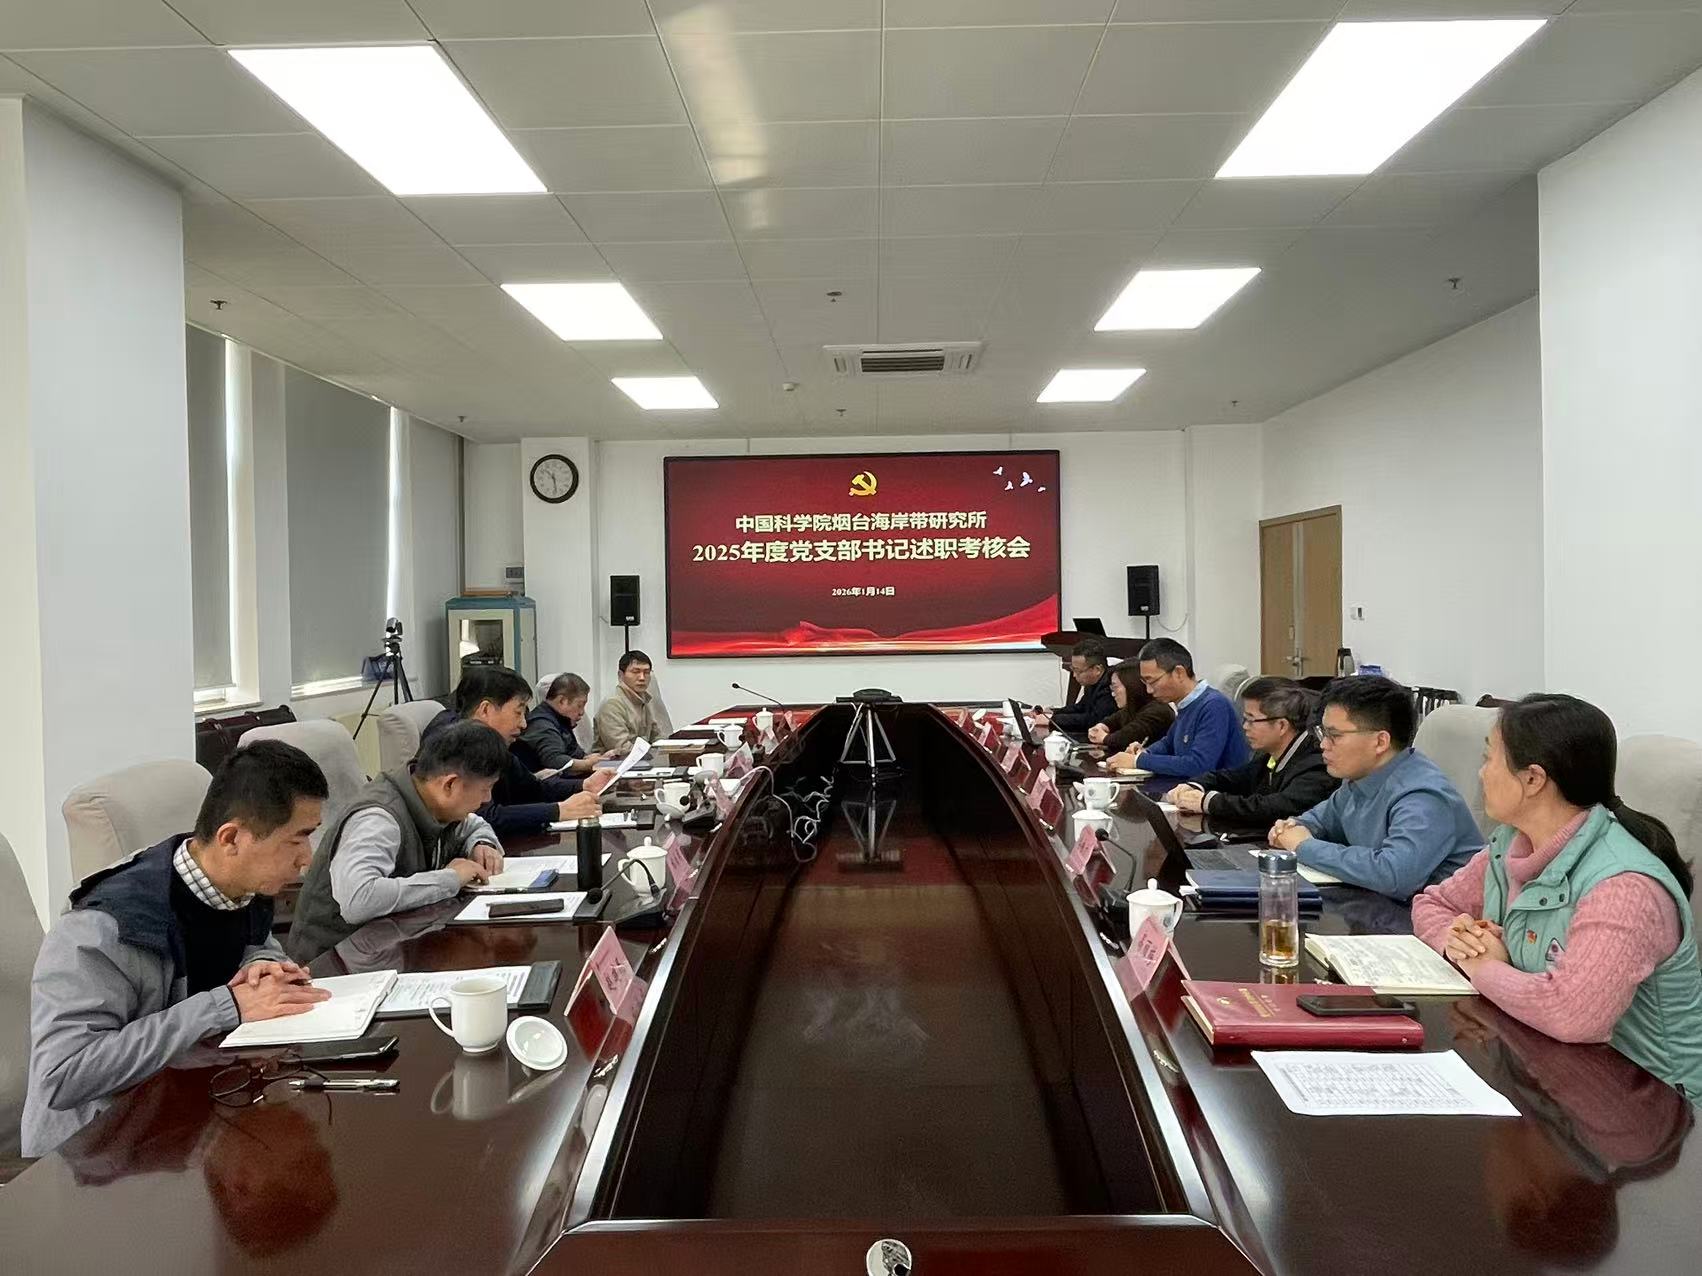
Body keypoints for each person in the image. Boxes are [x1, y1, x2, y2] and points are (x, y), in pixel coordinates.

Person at [23, 742, 335, 1157]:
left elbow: (254, 940)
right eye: (297, 840)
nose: (306, 859)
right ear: (231, 838)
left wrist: (264, 963)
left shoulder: (240, 884)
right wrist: (225, 1006)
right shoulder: (100, 928)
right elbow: (62, 1076)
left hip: (189, 1117)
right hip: (92, 1157)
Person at [1413, 694, 1702, 1097]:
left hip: (1648, 1105)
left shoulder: (1624, 887)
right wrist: (1458, 939)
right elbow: (1433, 903)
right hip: (1546, 1070)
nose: (1481, 773)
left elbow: (1572, 1015)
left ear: (1533, 779)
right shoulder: (1511, 844)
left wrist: (1483, 967)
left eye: (1489, 759)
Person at [285, 721, 510, 963]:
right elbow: (358, 899)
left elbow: (474, 825)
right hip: (334, 965)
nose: (487, 799)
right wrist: (450, 878)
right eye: (486, 789)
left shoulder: (431, 799)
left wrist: (482, 843)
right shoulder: (379, 818)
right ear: (450, 784)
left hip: (397, 945)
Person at [1269, 675, 1480, 899]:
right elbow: (1318, 822)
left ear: (1380, 742)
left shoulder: (1423, 796)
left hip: (1436, 915)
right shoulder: (1360, 779)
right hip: (1381, 907)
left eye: (1334, 735)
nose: (1323, 744)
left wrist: (1303, 846)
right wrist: (1291, 828)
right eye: (1323, 733)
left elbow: (1394, 875)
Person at [421, 666, 607, 840]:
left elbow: (530, 788)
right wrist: (559, 811)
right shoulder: (455, 743)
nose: (524, 724)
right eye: (518, 713)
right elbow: (484, 817)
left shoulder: (491, 742)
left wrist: (583, 785)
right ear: (485, 710)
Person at [1163, 677, 1336, 823]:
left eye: (1252, 720)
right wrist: (1194, 786)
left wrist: (1208, 802)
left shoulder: (1318, 762)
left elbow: (1275, 807)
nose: (1245, 726)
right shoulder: (1271, 755)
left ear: (1281, 725)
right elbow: (1233, 778)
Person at [1107, 638, 1250, 777]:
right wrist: (1145, 752)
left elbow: (1199, 765)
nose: (1149, 690)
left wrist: (1138, 761)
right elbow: (1168, 743)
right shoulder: (1186, 704)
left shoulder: (1213, 705)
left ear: (1179, 673)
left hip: (1221, 790)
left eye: (1152, 681)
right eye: (1145, 683)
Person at [515, 671, 608, 776]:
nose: (582, 712)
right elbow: (554, 761)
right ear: (562, 701)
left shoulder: (561, 721)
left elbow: (575, 754)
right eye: (579, 705)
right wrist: (587, 764)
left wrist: (599, 758)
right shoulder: (541, 724)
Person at [593, 650, 673, 753]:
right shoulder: (612, 704)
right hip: (616, 761)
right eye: (635, 672)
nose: (642, 678)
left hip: (642, 758)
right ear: (621, 675)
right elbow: (621, 748)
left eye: (646, 673)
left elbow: (656, 737)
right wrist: (653, 752)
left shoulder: (644, 699)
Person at [1033, 639, 1117, 737]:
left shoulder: (1110, 686)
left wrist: (1052, 720)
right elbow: (1080, 707)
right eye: (1073, 669)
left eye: (1078, 671)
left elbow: (1093, 720)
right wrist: (1052, 712)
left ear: (1097, 669)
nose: (1074, 675)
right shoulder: (1093, 683)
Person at [1087, 662, 1173, 753]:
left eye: (1115, 687)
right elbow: (1111, 721)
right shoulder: (1133, 707)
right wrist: (1100, 727)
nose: (1113, 694)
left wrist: (1103, 737)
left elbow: (1124, 739)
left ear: (1132, 685)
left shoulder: (1157, 711)